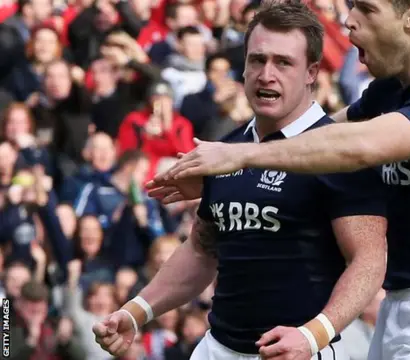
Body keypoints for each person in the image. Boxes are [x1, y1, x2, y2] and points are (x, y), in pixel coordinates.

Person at [150, 0, 410, 358]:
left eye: (365, 8)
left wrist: (240, 157)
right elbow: (317, 133)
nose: (349, 21)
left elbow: (358, 146)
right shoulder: (392, 89)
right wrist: (231, 177)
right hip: (399, 305)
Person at [93, 2, 389, 360]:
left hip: (301, 351)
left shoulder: (339, 153)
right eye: (257, 60)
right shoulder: (228, 147)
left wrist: (314, 335)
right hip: (217, 348)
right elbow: (202, 249)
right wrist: (136, 311)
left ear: (312, 71)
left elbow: (370, 259)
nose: (266, 74)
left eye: (283, 62)